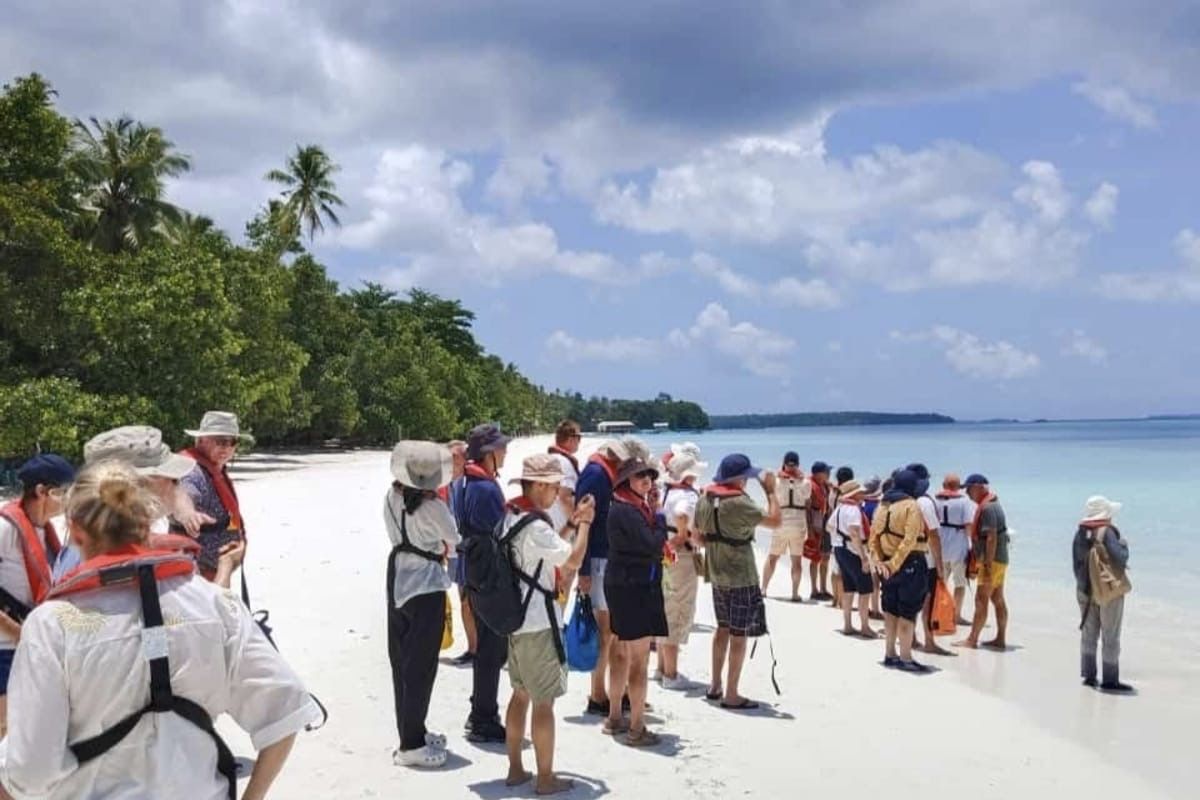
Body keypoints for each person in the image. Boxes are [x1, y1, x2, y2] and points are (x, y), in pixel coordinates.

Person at [0, 460, 320, 800]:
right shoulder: (216, 604)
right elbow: (286, 710)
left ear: (76, 530)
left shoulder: (52, 625)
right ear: (147, 523)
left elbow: (32, 771)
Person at [502, 455, 594, 793]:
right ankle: (544, 778)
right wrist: (585, 524)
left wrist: (571, 524)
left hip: (515, 620)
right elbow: (572, 558)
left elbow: (549, 546)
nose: (558, 493)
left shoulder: (511, 515)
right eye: (554, 486)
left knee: (520, 694)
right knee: (544, 702)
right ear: (538, 485)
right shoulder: (536, 526)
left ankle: (515, 769)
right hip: (539, 622)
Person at [53, 426, 218, 582]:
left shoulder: (90, 540)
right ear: (142, 485)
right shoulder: (104, 560)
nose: (176, 485)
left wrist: (188, 514)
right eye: (173, 479)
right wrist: (226, 565)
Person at [385, 441, 461, 768]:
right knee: (421, 666)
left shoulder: (391, 497)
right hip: (426, 584)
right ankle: (411, 744)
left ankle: (411, 729)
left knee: (401, 661)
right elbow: (454, 541)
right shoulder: (433, 507)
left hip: (397, 575)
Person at [695, 454, 782, 710]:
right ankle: (732, 693)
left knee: (721, 628)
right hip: (741, 574)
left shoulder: (704, 498)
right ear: (740, 479)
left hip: (717, 571)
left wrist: (718, 541)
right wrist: (771, 492)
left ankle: (714, 685)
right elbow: (776, 522)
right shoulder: (741, 502)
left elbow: (697, 537)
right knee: (738, 633)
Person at [0, 454, 75, 737]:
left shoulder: (45, 531)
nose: (68, 500)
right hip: (6, 647)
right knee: (6, 728)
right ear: (42, 492)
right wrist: (19, 633)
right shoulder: (6, 528)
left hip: (31, 643)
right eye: (63, 492)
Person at [450, 423, 512, 742]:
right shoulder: (486, 488)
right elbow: (497, 532)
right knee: (492, 646)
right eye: (500, 447)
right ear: (488, 453)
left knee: (488, 646)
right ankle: (483, 717)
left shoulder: (463, 482)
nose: (504, 452)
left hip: (471, 569)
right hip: (487, 571)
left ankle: (481, 709)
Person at [603, 457, 669, 745]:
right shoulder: (629, 511)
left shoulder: (623, 505)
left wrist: (652, 511)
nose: (646, 480)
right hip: (635, 586)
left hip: (621, 583)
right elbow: (653, 544)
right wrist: (661, 515)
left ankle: (616, 717)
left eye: (649, 476)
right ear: (626, 481)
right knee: (639, 660)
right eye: (640, 476)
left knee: (620, 653)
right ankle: (636, 728)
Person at [575, 438, 639, 717]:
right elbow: (584, 520)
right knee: (606, 631)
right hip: (599, 559)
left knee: (612, 631)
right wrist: (585, 569)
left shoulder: (602, 473)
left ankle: (611, 690)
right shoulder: (596, 475)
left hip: (605, 558)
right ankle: (597, 694)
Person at [868, 469, 930, 672]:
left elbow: (873, 537)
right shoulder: (911, 506)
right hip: (909, 562)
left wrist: (879, 562)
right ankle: (905, 657)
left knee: (890, 611)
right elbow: (910, 539)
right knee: (908, 612)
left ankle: (889, 654)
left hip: (885, 565)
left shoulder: (882, 506)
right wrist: (894, 564)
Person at [178, 411, 251, 581]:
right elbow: (183, 493)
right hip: (196, 574)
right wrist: (188, 514)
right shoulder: (191, 471)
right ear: (201, 440)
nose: (226, 447)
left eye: (232, 442)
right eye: (220, 441)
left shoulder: (214, 469)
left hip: (216, 570)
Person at [656, 449, 706, 690]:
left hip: (665, 553)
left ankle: (661, 668)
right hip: (682, 554)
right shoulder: (687, 495)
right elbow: (682, 514)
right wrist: (685, 534)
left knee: (666, 606)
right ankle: (671, 673)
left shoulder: (668, 492)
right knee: (679, 608)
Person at [1073, 496, 1132, 693]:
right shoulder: (1107, 532)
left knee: (1089, 633)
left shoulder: (1080, 533)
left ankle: (1089, 676)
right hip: (1107, 592)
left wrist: (1085, 586)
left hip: (1084, 590)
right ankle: (1110, 680)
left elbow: (1076, 565)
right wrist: (1124, 546)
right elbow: (1120, 559)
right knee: (1110, 635)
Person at [955, 474, 1011, 650]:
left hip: (992, 561)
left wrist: (986, 565)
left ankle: (972, 640)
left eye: (969, 488)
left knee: (981, 599)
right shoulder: (995, 504)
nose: (967, 493)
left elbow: (991, 538)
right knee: (997, 598)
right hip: (1001, 559)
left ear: (979, 487)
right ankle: (1000, 639)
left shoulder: (987, 508)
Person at [907, 463, 952, 657]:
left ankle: (911, 638)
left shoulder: (904, 501)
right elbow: (934, 535)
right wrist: (940, 565)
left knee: (911, 601)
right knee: (927, 602)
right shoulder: (925, 502)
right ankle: (929, 642)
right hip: (926, 560)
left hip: (908, 557)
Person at [442, 440, 478, 668]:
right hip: (455, 552)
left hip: (468, 551)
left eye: (454, 458)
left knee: (469, 602)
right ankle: (473, 648)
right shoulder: (450, 483)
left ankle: (477, 649)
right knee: (464, 601)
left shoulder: (468, 483)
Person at [829, 480, 876, 638]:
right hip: (852, 550)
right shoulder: (853, 510)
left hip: (840, 549)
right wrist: (863, 557)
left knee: (848, 588)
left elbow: (829, 527)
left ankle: (848, 625)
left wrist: (839, 538)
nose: (863, 494)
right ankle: (864, 626)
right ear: (854, 494)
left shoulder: (840, 508)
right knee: (865, 589)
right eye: (861, 492)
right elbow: (855, 533)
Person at [761, 452, 809, 602]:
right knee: (796, 560)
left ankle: (763, 589)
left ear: (784, 463)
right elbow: (807, 498)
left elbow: (771, 498)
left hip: (780, 521)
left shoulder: (776, 481)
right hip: (798, 522)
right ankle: (794, 593)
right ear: (798, 464)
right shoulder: (805, 482)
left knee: (773, 557)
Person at [546, 421, 582, 604]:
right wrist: (578, 525)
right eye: (578, 437)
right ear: (569, 439)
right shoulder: (564, 463)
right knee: (564, 583)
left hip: (551, 528)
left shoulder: (551, 460)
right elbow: (566, 496)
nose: (580, 442)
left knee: (555, 584)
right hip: (563, 530)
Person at [935, 474, 974, 625]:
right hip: (958, 548)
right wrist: (972, 546)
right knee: (960, 584)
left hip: (939, 547)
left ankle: (938, 612)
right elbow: (968, 525)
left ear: (944, 485)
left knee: (940, 583)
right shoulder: (964, 501)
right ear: (958, 487)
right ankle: (956, 615)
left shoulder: (935, 500)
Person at [828, 466, 855, 609]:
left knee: (835, 567)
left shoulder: (833, 493)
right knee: (842, 569)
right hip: (845, 533)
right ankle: (842, 601)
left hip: (834, 531)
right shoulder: (848, 494)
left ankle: (835, 598)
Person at [805, 462, 833, 601]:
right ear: (818, 473)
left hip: (826, 524)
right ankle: (814, 589)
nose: (828, 473)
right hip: (816, 525)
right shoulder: (810, 486)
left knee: (826, 557)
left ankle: (823, 588)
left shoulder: (826, 486)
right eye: (826, 471)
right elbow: (807, 510)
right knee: (815, 558)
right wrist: (809, 529)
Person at [862, 476, 885, 621]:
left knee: (869, 578)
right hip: (876, 544)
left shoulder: (861, 504)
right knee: (876, 579)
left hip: (863, 543)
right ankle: (875, 610)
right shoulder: (879, 505)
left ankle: (869, 607)